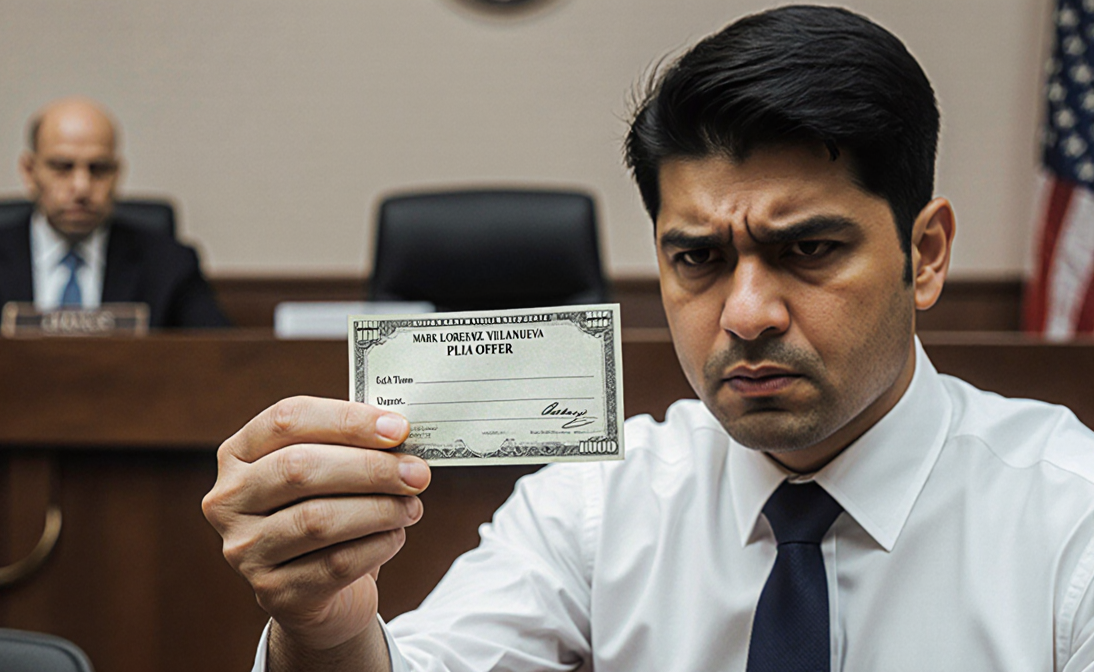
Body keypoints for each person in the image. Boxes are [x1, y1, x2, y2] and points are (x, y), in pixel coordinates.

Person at [202, 6, 1094, 671]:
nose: (746, 313)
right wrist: (328, 629)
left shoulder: (1071, 520)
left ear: (925, 253)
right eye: (698, 257)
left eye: (809, 249)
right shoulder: (597, 506)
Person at [0, 96, 230, 328]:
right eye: (62, 167)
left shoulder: (170, 265)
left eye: (98, 169)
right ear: (29, 170)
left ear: (117, 174)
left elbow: (222, 360)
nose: (81, 186)